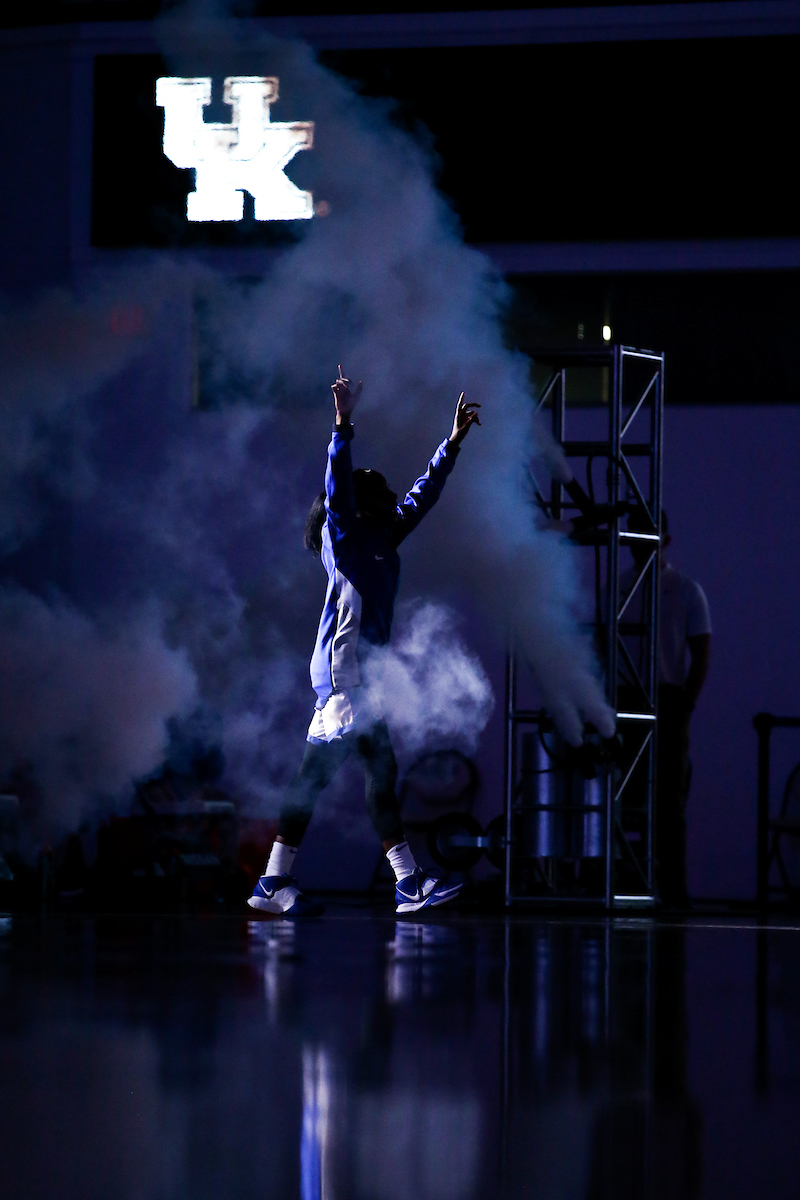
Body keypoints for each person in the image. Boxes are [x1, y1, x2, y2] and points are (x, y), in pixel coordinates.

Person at [249, 367, 481, 917]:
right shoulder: (347, 536)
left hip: (349, 680)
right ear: (359, 501)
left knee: (311, 782)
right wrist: (342, 423)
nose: (388, 486)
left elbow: (423, 498)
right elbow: (338, 480)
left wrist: (450, 445)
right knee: (381, 772)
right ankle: (407, 881)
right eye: (375, 483)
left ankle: (271, 883)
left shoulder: (382, 536)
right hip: (347, 675)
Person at [623, 509, 711, 906]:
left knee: (669, 801)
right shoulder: (620, 587)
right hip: (629, 700)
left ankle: (672, 891)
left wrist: (685, 702)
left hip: (668, 699)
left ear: (665, 541)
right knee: (628, 797)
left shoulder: (686, 590)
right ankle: (631, 883)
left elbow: (701, 652)